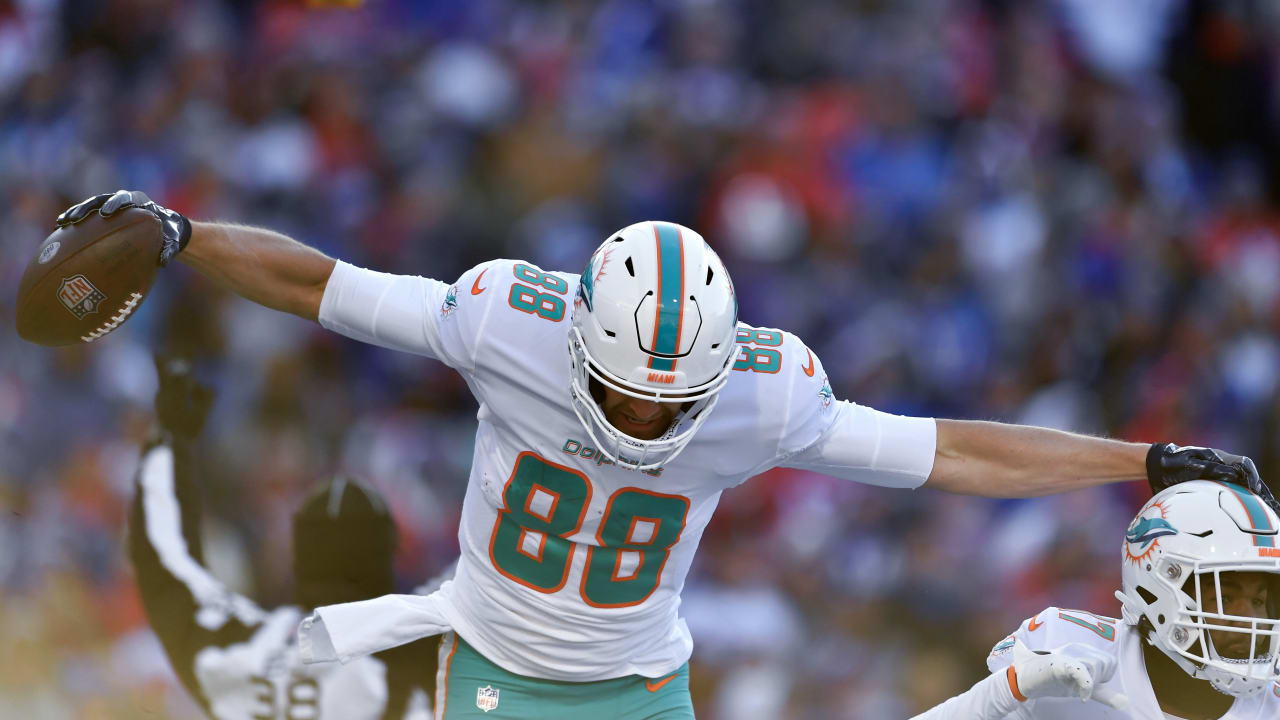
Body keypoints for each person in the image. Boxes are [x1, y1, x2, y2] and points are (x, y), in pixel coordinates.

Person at [61, 190, 1275, 719]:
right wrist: (179, 233)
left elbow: (953, 453)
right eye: (622, 398)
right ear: (575, 338)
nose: (642, 423)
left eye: (669, 406)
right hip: (503, 677)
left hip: (650, 687)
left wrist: (1145, 458)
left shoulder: (762, 395)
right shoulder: (506, 324)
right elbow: (319, 282)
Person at [128, 354, 438, 719]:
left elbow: (164, 565)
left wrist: (168, 443)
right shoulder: (416, 668)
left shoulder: (237, 648)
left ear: (298, 557)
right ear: (385, 559)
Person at [911, 479, 1280, 719]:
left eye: (1261, 599)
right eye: (1225, 595)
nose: (1250, 617)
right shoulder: (1065, 651)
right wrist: (1008, 690)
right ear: (1157, 587)